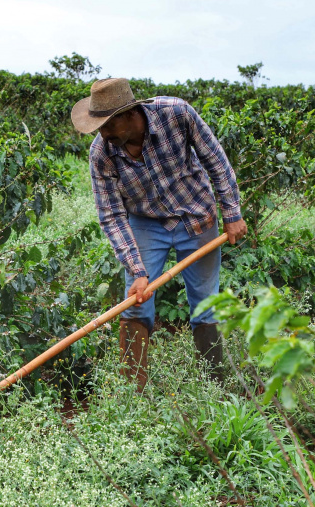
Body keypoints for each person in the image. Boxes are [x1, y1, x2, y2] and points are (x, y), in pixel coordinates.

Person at [70, 78, 248, 389]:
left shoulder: (177, 114)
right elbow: (111, 215)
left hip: (197, 215)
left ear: (129, 114)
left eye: (108, 125)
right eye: (98, 127)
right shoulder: (102, 152)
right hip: (146, 222)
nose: (103, 134)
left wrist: (232, 214)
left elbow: (216, 161)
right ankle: (135, 392)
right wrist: (137, 270)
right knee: (136, 301)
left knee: (205, 303)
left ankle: (215, 385)